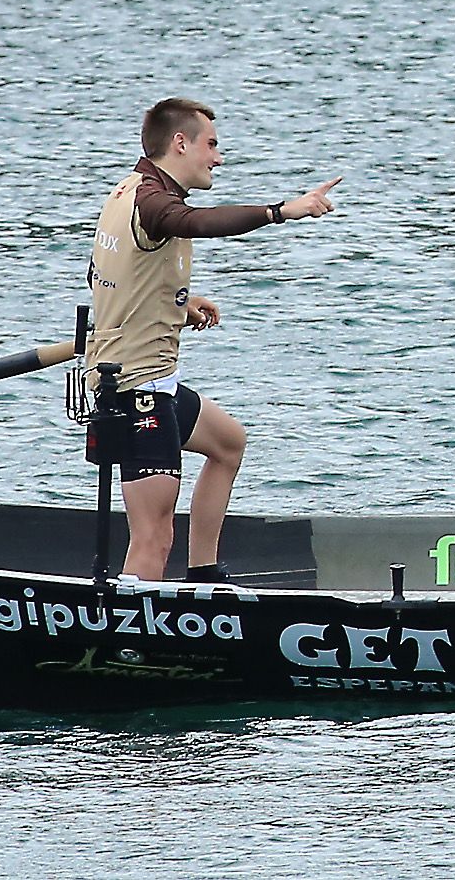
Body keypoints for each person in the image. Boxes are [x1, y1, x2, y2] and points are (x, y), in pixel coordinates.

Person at [82, 97, 341, 582]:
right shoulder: (153, 203)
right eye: (212, 145)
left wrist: (176, 302)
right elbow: (196, 222)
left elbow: (99, 273)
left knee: (228, 444)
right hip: (135, 394)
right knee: (154, 537)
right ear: (180, 143)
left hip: (155, 383)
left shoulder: (124, 191)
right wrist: (282, 211)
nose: (218, 158)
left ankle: (204, 575)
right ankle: (131, 644)